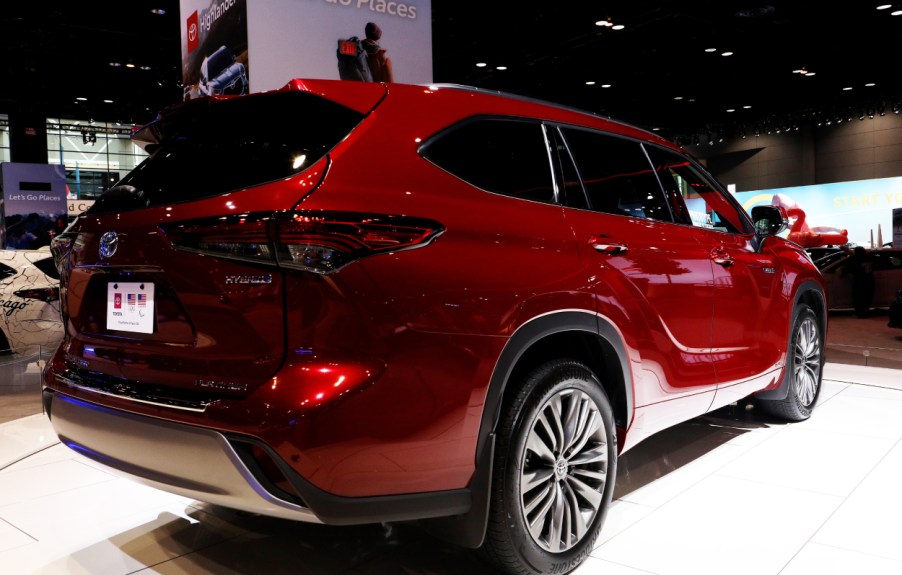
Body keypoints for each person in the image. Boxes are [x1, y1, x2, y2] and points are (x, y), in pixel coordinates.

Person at [849, 246, 875, 318]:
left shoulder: (856, 260)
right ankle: (865, 312)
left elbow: (852, 268)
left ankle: (860, 314)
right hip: (869, 281)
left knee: (859, 298)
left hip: (860, 282)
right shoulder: (868, 258)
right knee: (867, 298)